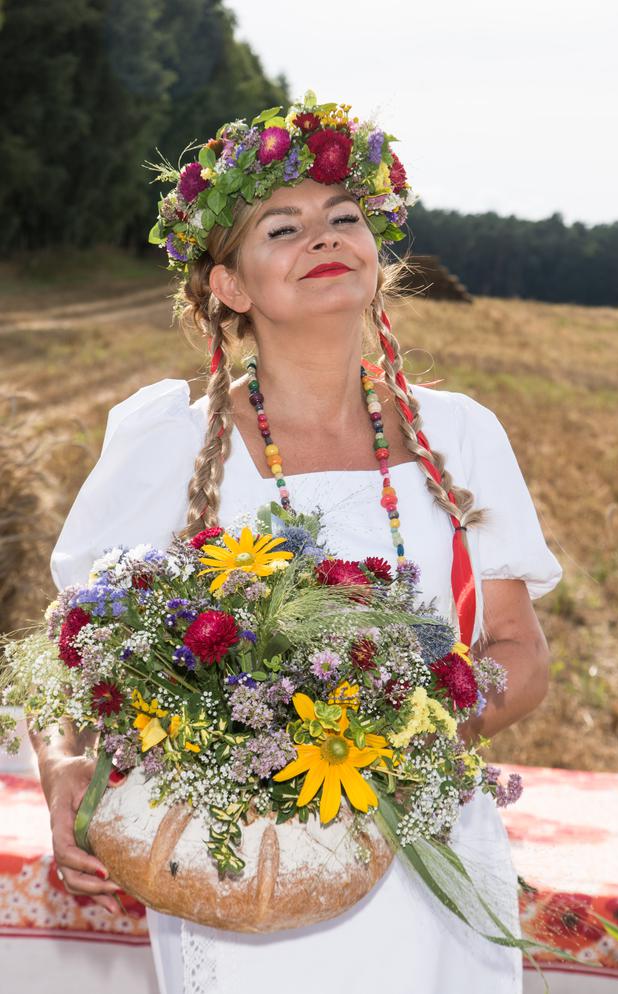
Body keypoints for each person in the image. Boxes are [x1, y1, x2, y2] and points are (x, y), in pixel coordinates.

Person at [33, 92, 562, 993]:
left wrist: (393, 745)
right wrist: (65, 768)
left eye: (343, 218)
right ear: (229, 286)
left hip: (430, 852)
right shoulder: (168, 443)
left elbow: (519, 653)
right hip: (242, 864)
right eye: (282, 228)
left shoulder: (459, 435)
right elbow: (71, 650)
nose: (323, 237)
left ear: (374, 253)